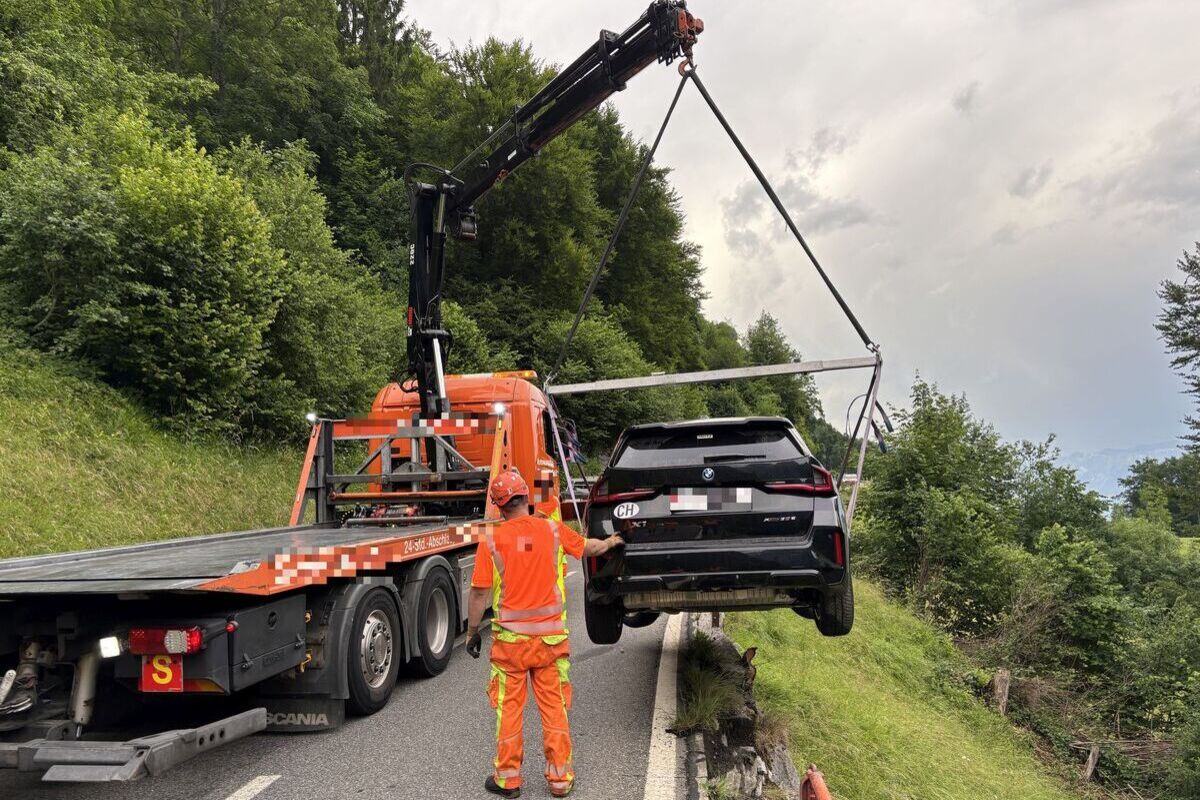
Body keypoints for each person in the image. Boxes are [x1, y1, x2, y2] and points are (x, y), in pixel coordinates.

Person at [465, 470, 623, 798]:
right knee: (554, 707)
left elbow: (479, 593)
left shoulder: (491, 540)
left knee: (509, 709)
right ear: (527, 497)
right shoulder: (552, 530)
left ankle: (508, 780)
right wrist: (610, 542)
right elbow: (589, 548)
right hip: (551, 642)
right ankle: (560, 779)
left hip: (511, 645)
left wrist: (471, 633)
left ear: (497, 505)